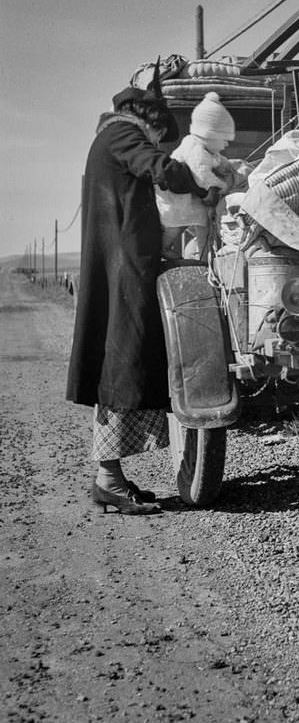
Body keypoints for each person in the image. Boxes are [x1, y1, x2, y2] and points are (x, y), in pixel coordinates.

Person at [66, 70, 218, 515]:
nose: (157, 140)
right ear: (144, 122)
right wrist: (204, 186)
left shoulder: (108, 140)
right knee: (121, 365)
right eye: (157, 133)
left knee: (124, 362)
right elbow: (162, 170)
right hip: (124, 271)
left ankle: (110, 477)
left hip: (121, 266)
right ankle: (108, 479)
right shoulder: (120, 136)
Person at [155, 91, 237, 260]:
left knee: (203, 224)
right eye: (223, 140)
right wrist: (222, 185)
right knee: (175, 225)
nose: (225, 144)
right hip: (175, 195)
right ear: (210, 135)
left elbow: (217, 160)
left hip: (190, 197)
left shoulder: (207, 149)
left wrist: (227, 166)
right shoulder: (195, 148)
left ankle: (204, 256)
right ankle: (163, 247)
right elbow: (202, 175)